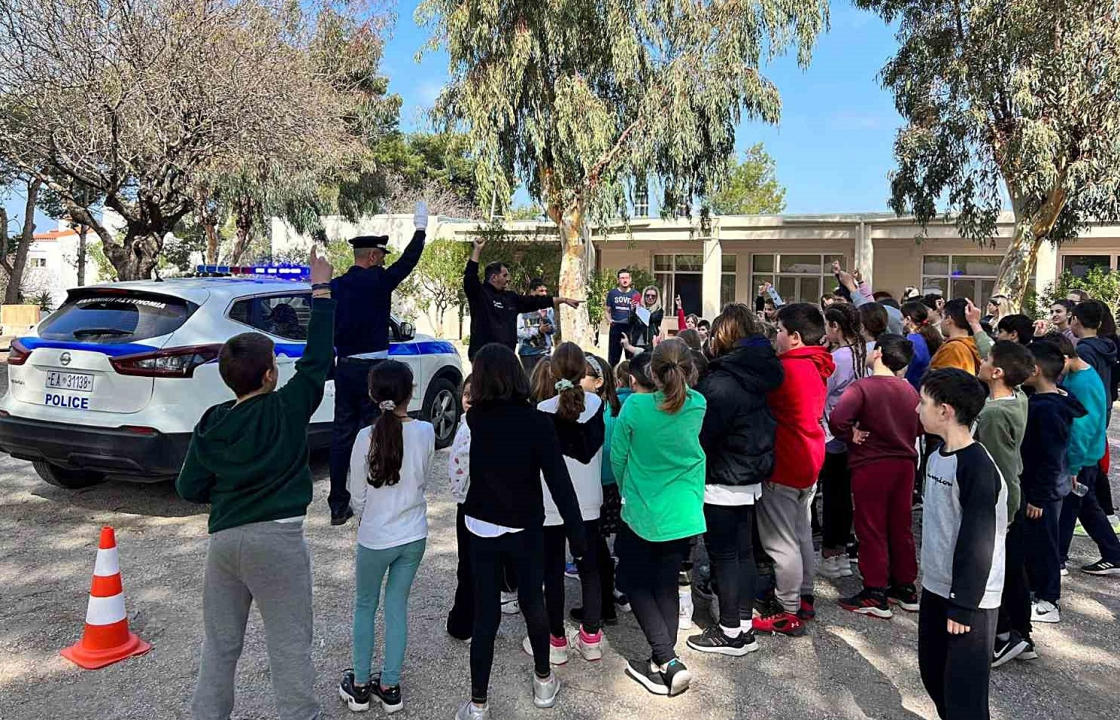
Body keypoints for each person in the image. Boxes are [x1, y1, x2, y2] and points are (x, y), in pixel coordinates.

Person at [176, 248, 335, 720]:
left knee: (220, 646)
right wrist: (320, 291)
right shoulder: (287, 408)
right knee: (289, 645)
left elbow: (189, 487)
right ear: (269, 374)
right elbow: (317, 359)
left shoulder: (212, 422)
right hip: (279, 541)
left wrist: (228, 492)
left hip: (224, 543)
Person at [455, 344, 587, 720]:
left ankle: (479, 703)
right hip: (526, 525)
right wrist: (577, 536)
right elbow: (559, 483)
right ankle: (544, 680)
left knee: (486, 615)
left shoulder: (475, 419)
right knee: (533, 603)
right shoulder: (537, 422)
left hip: (481, 524)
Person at [611, 338, 707, 696]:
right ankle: (662, 659)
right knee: (665, 582)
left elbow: (618, 457)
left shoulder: (635, 407)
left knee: (633, 581)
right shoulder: (698, 404)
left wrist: (627, 489)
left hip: (645, 509)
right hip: (683, 510)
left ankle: (666, 659)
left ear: (651, 370)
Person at [686, 304, 783, 656]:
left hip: (724, 473)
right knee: (741, 553)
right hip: (748, 471)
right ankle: (741, 624)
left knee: (725, 554)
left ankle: (729, 631)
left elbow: (705, 434)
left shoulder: (723, 381)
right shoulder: (755, 373)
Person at [339, 361, 433, 714]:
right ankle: (390, 684)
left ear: (371, 394)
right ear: (411, 392)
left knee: (365, 606)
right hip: (413, 535)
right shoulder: (425, 431)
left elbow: (357, 495)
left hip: (376, 536)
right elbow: (423, 477)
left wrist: (370, 517)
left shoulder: (366, 437)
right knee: (397, 606)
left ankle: (360, 683)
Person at [328, 203, 428, 526]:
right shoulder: (380, 281)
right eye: (382, 256)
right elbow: (409, 262)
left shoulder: (337, 286)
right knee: (377, 432)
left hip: (345, 366)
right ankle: (373, 495)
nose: (384, 261)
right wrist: (420, 230)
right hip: (375, 371)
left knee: (343, 434)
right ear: (372, 257)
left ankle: (338, 503)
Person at [917, 368, 1008, 720]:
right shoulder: (937, 453)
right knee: (934, 676)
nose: (917, 409)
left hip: (970, 598)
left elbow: (978, 539)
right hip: (937, 586)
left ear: (945, 410)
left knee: (964, 695)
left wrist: (963, 604)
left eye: (923, 402)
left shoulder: (977, 467)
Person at [755, 303, 835, 637]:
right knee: (801, 531)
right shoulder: (817, 364)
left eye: (779, 331)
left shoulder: (785, 369)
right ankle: (803, 594)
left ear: (796, 337)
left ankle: (787, 608)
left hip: (786, 461)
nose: (776, 337)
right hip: (811, 457)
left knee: (780, 541)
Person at [829, 334, 921, 618]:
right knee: (900, 524)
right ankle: (905, 585)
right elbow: (920, 425)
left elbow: (837, 419)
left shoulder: (863, 387)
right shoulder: (910, 390)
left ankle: (875, 590)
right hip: (905, 462)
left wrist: (850, 434)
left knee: (871, 526)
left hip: (872, 462)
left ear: (878, 353)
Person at [533, 343, 606, 664]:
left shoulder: (542, 411)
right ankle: (591, 637)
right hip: (588, 500)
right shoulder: (597, 405)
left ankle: (556, 640)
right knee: (590, 567)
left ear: (552, 371)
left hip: (550, 502)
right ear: (583, 371)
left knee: (552, 571)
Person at [974, 341, 1033, 667]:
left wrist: (1005, 515)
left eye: (986, 359)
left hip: (1002, 506)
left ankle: (1008, 635)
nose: (981, 360)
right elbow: (1007, 358)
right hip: (1010, 503)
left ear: (996, 372)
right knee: (1013, 571)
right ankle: (1020, 633)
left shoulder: (993, 416)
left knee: (1003, 572)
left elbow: (1003, 469)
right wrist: (978, 327)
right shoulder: (1018, 396)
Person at [1019, 340, 1085, 625]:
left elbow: (1050, 456)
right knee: (1035, 542)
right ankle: (1035, 589)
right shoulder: (1055, 399)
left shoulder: (1047, 409)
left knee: (1046, 544)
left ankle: (1049, 599)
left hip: (1043, 490)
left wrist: (1038, 497)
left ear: (1035, 370)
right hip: (1043, 486)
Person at [1052, 333, 1120, 577]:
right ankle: (1113, 553)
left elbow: (1083, 429)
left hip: (1083, 459)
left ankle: (1058, 559)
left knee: (1069, 509)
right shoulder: (1078, 375)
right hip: (1086, 457)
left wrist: (1073, 467)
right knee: (1087, 508)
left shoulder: (1083, 382)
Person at [569, 353, 629, 626]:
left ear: (599, 381)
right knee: (598, 549)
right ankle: (606, 602)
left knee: (592, 550)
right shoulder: (610, 409)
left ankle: (601, 606)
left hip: (599, 487)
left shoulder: (600, 412)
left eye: (580, 375)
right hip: (604, 486)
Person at [463, 238, 580, 361]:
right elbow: (470, 277)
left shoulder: (511, 298)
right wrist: (477, 249)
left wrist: (563, 300)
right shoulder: (480, 294)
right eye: (505, 275)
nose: (508, 279)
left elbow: (535, 302)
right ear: (494, 277)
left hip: (506, 358)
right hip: (483, 357)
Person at [818, 304, 868, 581]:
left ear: (835, 326)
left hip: (831, 431)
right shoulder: (863, 353)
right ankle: (842, 554)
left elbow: (821, 391)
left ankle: (829, 553)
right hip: (853, 432)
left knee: (832, 497)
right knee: (844, 496)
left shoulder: (839, 358)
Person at [446, 375, 475, 641]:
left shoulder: (470, 428)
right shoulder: (467, 423)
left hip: (468, 502)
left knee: (467, 563)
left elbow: (461, 467)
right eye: (467, 395)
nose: (469, 401)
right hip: (472, 501)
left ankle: (463, 621)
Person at [929, 298, 982, 373]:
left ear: (948, 319)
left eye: (943, 317)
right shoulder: (975, 345)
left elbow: (940, 381)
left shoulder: (952, 349)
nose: (941, 322)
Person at [516, 278, 557, 374]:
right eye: (541, 291)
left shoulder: (548, 308)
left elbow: (553, 329)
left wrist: (546, 320)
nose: (544, 294)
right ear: (532, 292)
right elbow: (518, 332)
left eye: (545, 291)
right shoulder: (522, 308)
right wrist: (538, 330)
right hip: (528, 354)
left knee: (546, 383)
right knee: (531, 383)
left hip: (545, 353)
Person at [901, 300, 942, 389]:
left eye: (901, 319)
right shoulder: (929, 336)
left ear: (907, 319)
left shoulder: (910, 341)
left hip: (912, 388)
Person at [606, 270, 640, 366]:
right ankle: (612, 378)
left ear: (630, 279)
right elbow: (607, 310)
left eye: (626, 278)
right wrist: (609, 320)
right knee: (613, 359)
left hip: (630, 328)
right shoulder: (612, 293)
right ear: (618, 280)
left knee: (631, 359)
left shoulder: (635, 294)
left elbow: (640, 312)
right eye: (622, 278)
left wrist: (635, 308)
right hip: (616, 327)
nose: (625, 280)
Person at [622, 285, 666, 356]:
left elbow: (650, 319)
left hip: (651, 344)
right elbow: (630, 322)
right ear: (644, 296)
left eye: (653, 296)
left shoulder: (659, 311)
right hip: (636, 342)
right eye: (647, 295)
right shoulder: (638, 309)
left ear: (657, 298)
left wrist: (638, 309)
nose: (650, 298)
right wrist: (633, 310)